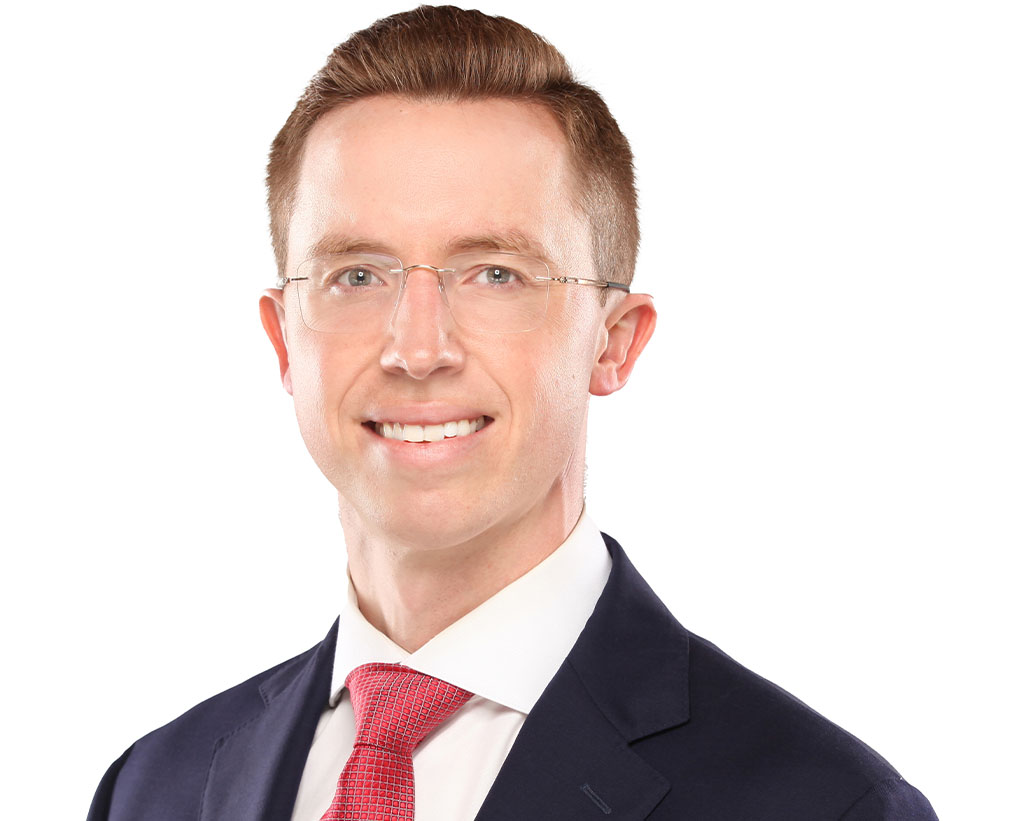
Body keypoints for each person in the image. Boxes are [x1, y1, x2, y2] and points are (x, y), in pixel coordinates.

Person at [87, 6, 937, 819]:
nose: (418, 348)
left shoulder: (828, 805)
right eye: (357, 275)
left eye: (496, 274)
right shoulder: (151, 788)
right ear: (284, 340)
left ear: (613, 342)